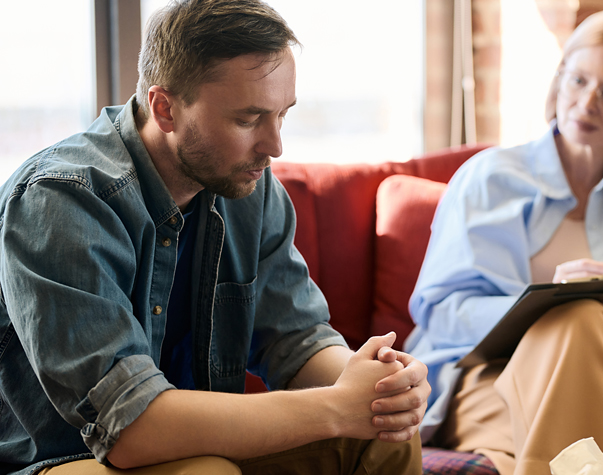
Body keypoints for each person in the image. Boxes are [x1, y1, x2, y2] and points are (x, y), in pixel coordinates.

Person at [0, 1, 430, 474]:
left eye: (281, 115)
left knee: (386, 438)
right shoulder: (62, 199)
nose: (275, 147)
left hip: (194, 445)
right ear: (165, 108)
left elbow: (296, 337)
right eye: (248, 120)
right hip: (59, 459)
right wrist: (334, 409)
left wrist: (375, 388)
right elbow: (129, 427)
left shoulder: (249, 186)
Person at [406, 9, 603, 475]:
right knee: (577, 317)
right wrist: (541, 304)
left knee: (586, 320)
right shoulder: (489, 179)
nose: (587, 102)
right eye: (578, 81)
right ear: (559, 79)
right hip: (487, 382)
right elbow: (439, 311)